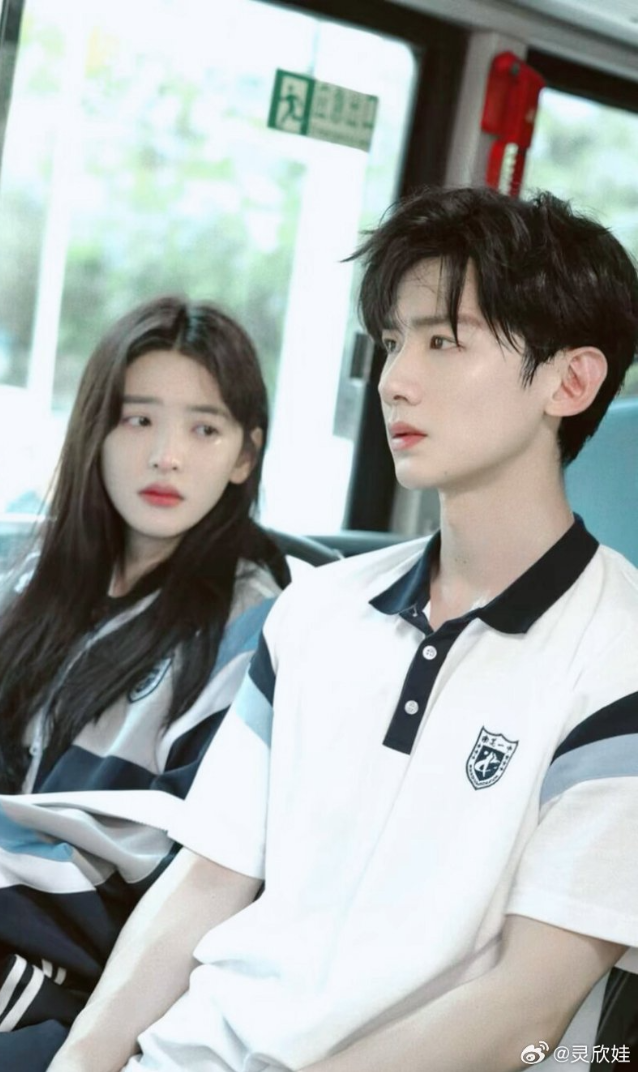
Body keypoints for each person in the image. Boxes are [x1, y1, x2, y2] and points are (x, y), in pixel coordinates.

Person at [50, 186, 638, 1072]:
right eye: (393, 341)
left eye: (444, 341)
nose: (395, 379)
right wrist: (83, 1061)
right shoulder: (316, 610)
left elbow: (532, 1002)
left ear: (571, 380)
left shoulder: (618, 655)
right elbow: (206, 881)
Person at [0, 296, 290, 1069]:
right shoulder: (31, 588)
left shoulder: (258, 628)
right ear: (96, 431)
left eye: (204, 429)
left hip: (81, 990)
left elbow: (179, 864)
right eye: (138, 419)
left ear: (245, 456)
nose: (167, 456)